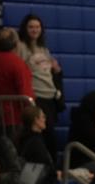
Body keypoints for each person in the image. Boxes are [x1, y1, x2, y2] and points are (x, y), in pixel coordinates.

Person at [17, 14, 63, 156]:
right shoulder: (21, 47)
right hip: (37, 96)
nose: (34, 30)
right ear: (25, 29)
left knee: (49, 136)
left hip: (50, 96)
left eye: (37, 27)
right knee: (46, 136)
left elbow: (47, 71)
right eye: (31, 27)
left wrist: (57, 69)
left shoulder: (43, 49)